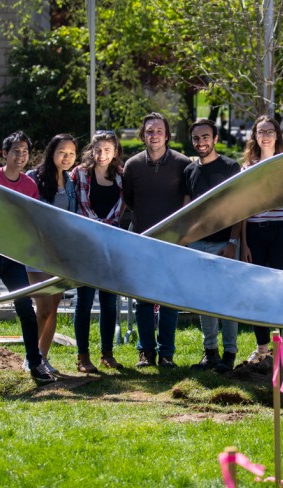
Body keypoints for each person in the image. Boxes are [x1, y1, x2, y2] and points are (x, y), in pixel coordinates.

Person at [0, 130, 56, 385]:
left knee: (26, 310)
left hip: (13, 257)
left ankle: (35, 363)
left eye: (25, 152)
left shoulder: (29, 185)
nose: (20, 156)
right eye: (16, 151)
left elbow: (31, 221)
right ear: (4, 153)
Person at [123, 112, 191, 368]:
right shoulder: (133, 166)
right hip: (142, 240)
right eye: (150, 131)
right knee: (143, 300)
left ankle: (166, 353)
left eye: (159, 131)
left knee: (169, 301)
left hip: (172, 243)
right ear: (143, 135)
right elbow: (130, 199)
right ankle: (145, 351)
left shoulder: (182, 163)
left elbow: (187, 201)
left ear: (167, 135)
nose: (154, 135)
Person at [183, 119, 242, 373]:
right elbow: (186, 210)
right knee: (204, 301)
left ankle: (230, 354)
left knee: (227, 300)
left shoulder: (230, 167)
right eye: (196, 138)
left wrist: (232, 242)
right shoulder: (189, 171)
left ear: (215, 138)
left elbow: (239, 207)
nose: (201, 142)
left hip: (223, 244)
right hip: (198, 245)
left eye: (205, 137)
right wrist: (187, 242)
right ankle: (210, 353)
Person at [239, 116, 283, 364]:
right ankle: (262, 348)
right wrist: (244, 243)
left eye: (269, 131)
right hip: (255, 232)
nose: (265, 136)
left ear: (277, 135)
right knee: (258, 290)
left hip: (281, 231)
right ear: (255, 136)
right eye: (260, 131)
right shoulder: (247, 168)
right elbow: (242, 209)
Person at [71, 131, 126, 373]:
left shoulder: (122, 176)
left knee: (109, 302)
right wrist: (97, 226)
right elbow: (77, 205)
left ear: (115, 152)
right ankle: (83, 356)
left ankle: (107, 354)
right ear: (92, 151)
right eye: (98, 149)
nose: (102, 154)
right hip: (86, 243)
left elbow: (121, 208)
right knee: (84, 301)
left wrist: (108, 228)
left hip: (111, 245)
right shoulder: (80, 174)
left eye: (107, 150)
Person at [25, 133, 78, 374]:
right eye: (62, 152)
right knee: (43, 306)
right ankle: (31, 357)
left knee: (53, 308)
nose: (67, 157)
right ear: (51, 153)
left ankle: (43, 357)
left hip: (60, 254)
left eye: (71, 153)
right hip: (37, 252)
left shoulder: (70, 181)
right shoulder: (34, 178)